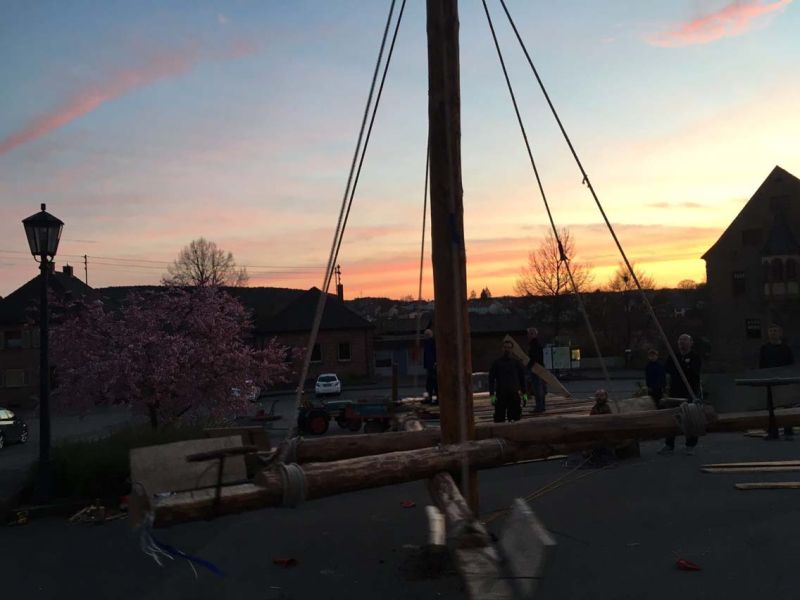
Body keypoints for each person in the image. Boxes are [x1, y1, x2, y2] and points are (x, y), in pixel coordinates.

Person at [659, 334, 702, 456]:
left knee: (690, 418)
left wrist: (683, 365)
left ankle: (690, 445)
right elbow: (667, 370)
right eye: (680, 340)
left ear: (691, 342)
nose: (681, 342)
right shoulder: (674, 356)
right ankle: (669, 444)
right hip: (674, 391)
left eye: (684, 340)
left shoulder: (695, 357)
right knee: (672, 417)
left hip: (689, 391)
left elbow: (693, 372)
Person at [759, 324, 795, 439]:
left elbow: (791, 364)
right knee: (771, 407)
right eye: (771, 331)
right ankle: (773, 431)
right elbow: (762, 364)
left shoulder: (786, 348)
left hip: (784, 380)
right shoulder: (765, 348)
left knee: (787, 405)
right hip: (770, 380)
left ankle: (788, 429)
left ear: (780, 333)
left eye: (775, 331)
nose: (773, 333)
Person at [489, 339, 528, 423]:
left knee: (515, 419)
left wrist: (525, 395)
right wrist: (492, 396)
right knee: (499, 419)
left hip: (513, 394)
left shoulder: (516, 363)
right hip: (501, 395)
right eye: (505, 347)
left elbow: (522, 379)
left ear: (512, 349)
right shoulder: (496, 363)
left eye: (509, 347)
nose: (507, 349)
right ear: (502, 349)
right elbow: (491, 379)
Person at [526, 327, 546, 413]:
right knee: (540, 388)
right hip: (539, 368)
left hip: (536, 368)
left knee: (537, 388)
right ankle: (541, 406)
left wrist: (528, 366)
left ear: (534, 334)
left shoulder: (534, 344)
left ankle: (539, 406)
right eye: (529, 333)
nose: (529, 335)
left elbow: (534, 357)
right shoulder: (536, 343)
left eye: (531, 334)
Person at [422, 329, 438, 405]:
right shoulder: (427, 343)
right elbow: (426, 355)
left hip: (433, 366)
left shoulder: (433, 342)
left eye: (427, 335)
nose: (426, 336)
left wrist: (435, 362)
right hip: (430, 366)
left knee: (434, 383)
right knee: (429, 384)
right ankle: (429, 398)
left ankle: (437, 399)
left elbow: (434, 353)